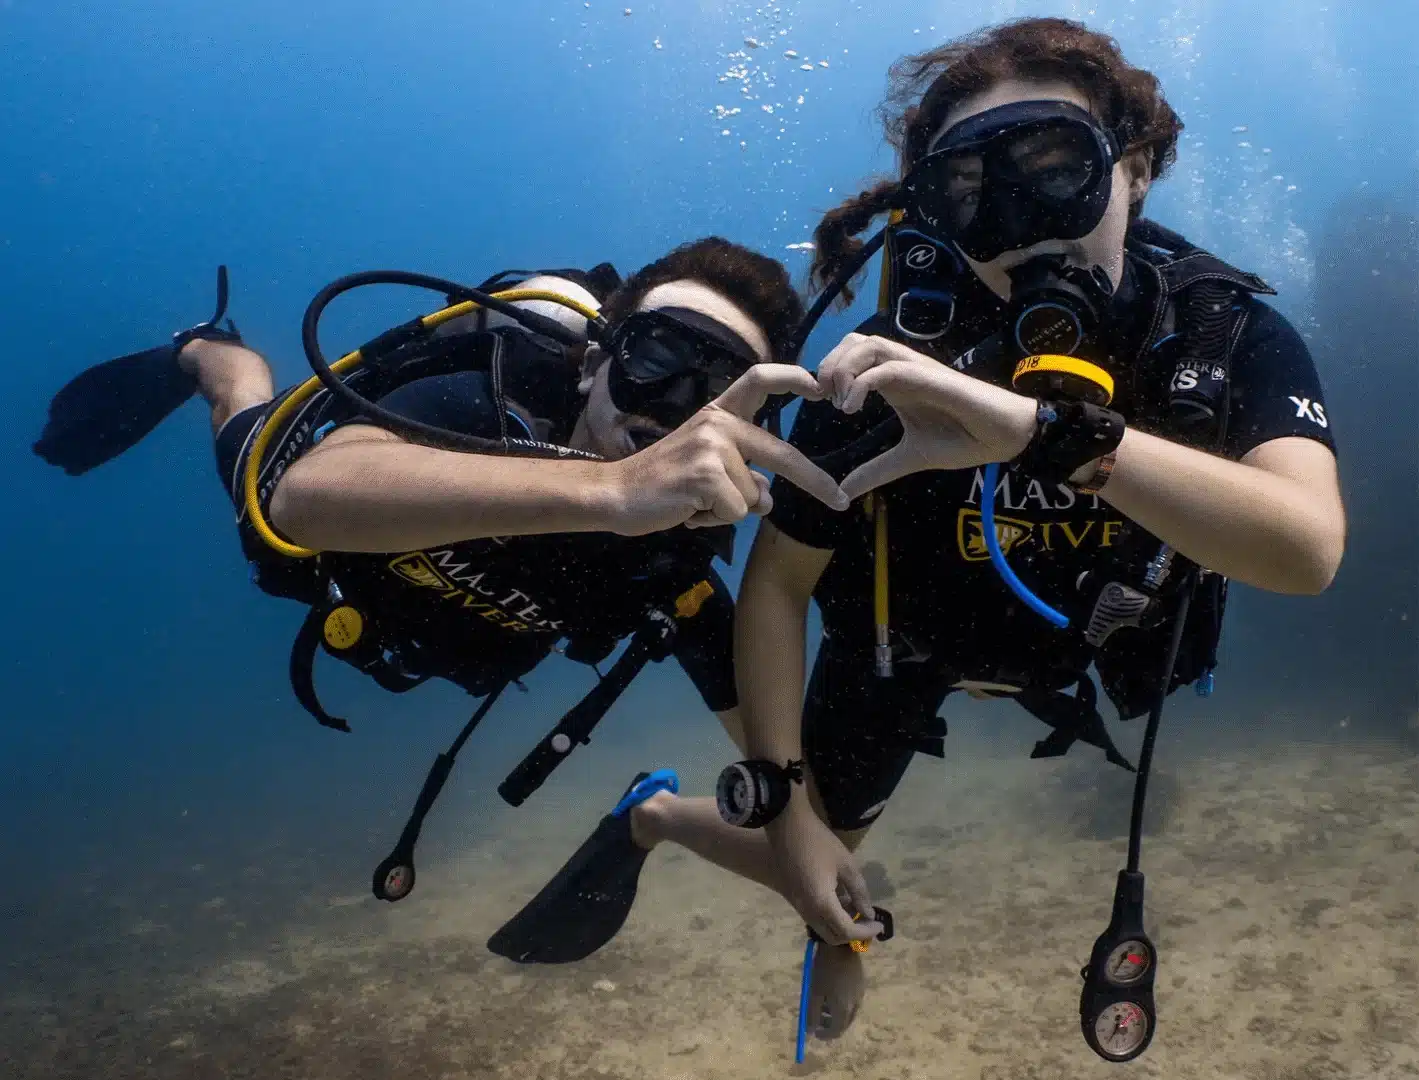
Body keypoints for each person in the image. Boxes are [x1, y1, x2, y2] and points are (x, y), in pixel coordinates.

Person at [730, 16, 1347, 1044]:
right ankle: (681, 833)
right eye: (971, 195)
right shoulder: (885, 368)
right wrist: (785, 805)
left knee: (811, 849)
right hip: (909, 650)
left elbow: (1305, 548)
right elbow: (778, 583)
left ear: (1135, 168)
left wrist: (1044, 435)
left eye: (1054, 169)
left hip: (1095, 642)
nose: (1019, 230)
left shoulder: (1218, 332)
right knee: (813, 853)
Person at [32, 239, 850, 953]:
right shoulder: (490, 400)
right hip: (320, 552)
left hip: (420, 637)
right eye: (656, 358)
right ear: (596, 360)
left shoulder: (668, 562)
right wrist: (612, 491)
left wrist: (803, 847)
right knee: (241, 409)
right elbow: (308, 498)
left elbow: (763, 739)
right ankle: (211, 351)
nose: (673, 407)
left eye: (715, 389)